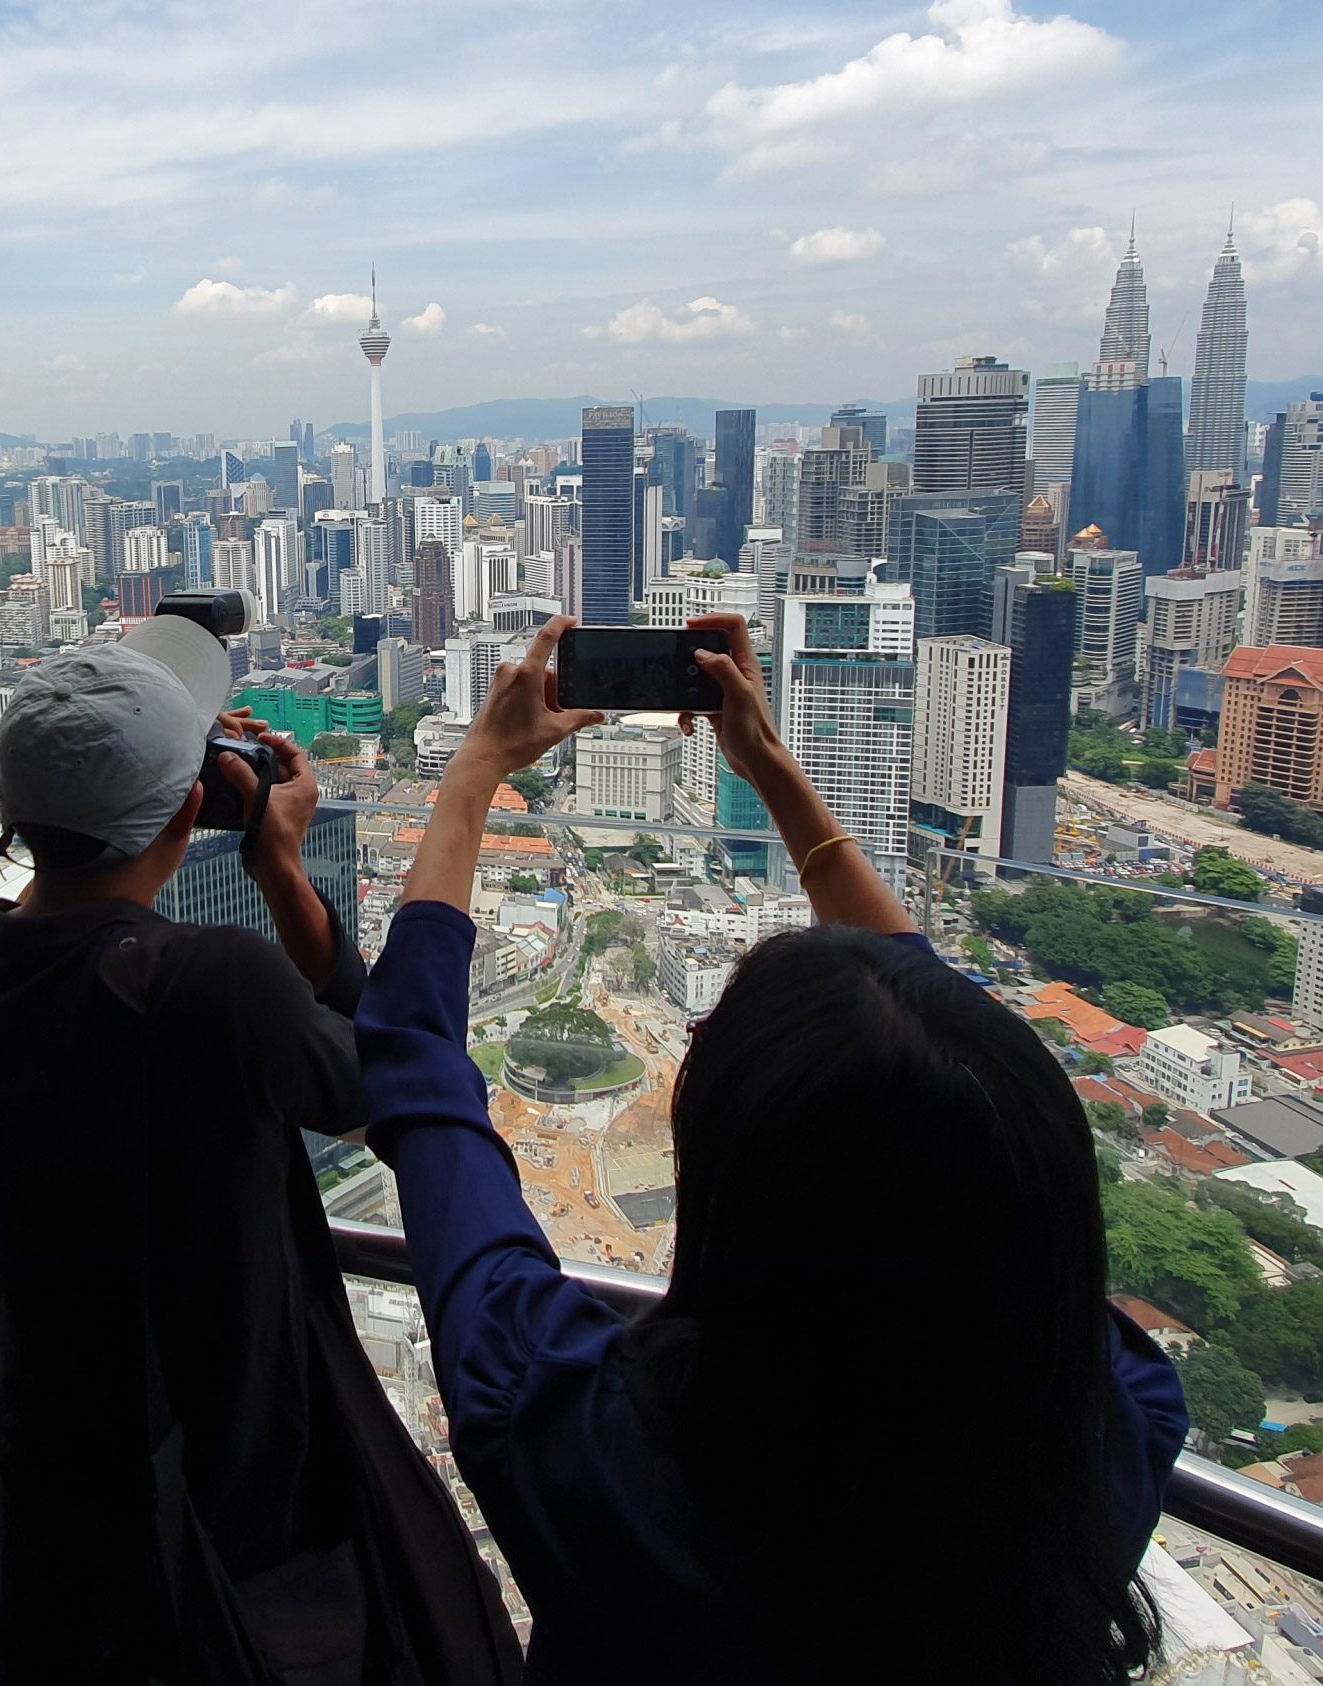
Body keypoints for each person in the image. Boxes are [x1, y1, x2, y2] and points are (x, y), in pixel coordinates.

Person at [357, 615, 1184, 1682]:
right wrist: (771, 768)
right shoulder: (1108, 1437)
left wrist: (474, 773)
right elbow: (955, 1087)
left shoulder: (585, 1440)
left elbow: (417, 1062)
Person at [0, 613, 520, 1684]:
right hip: (228, 1517)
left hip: (48, 1498)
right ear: (196, 807)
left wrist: (134, 762)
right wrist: (280, 862)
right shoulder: (210, 985)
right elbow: (409, 1089)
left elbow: (51, 917)